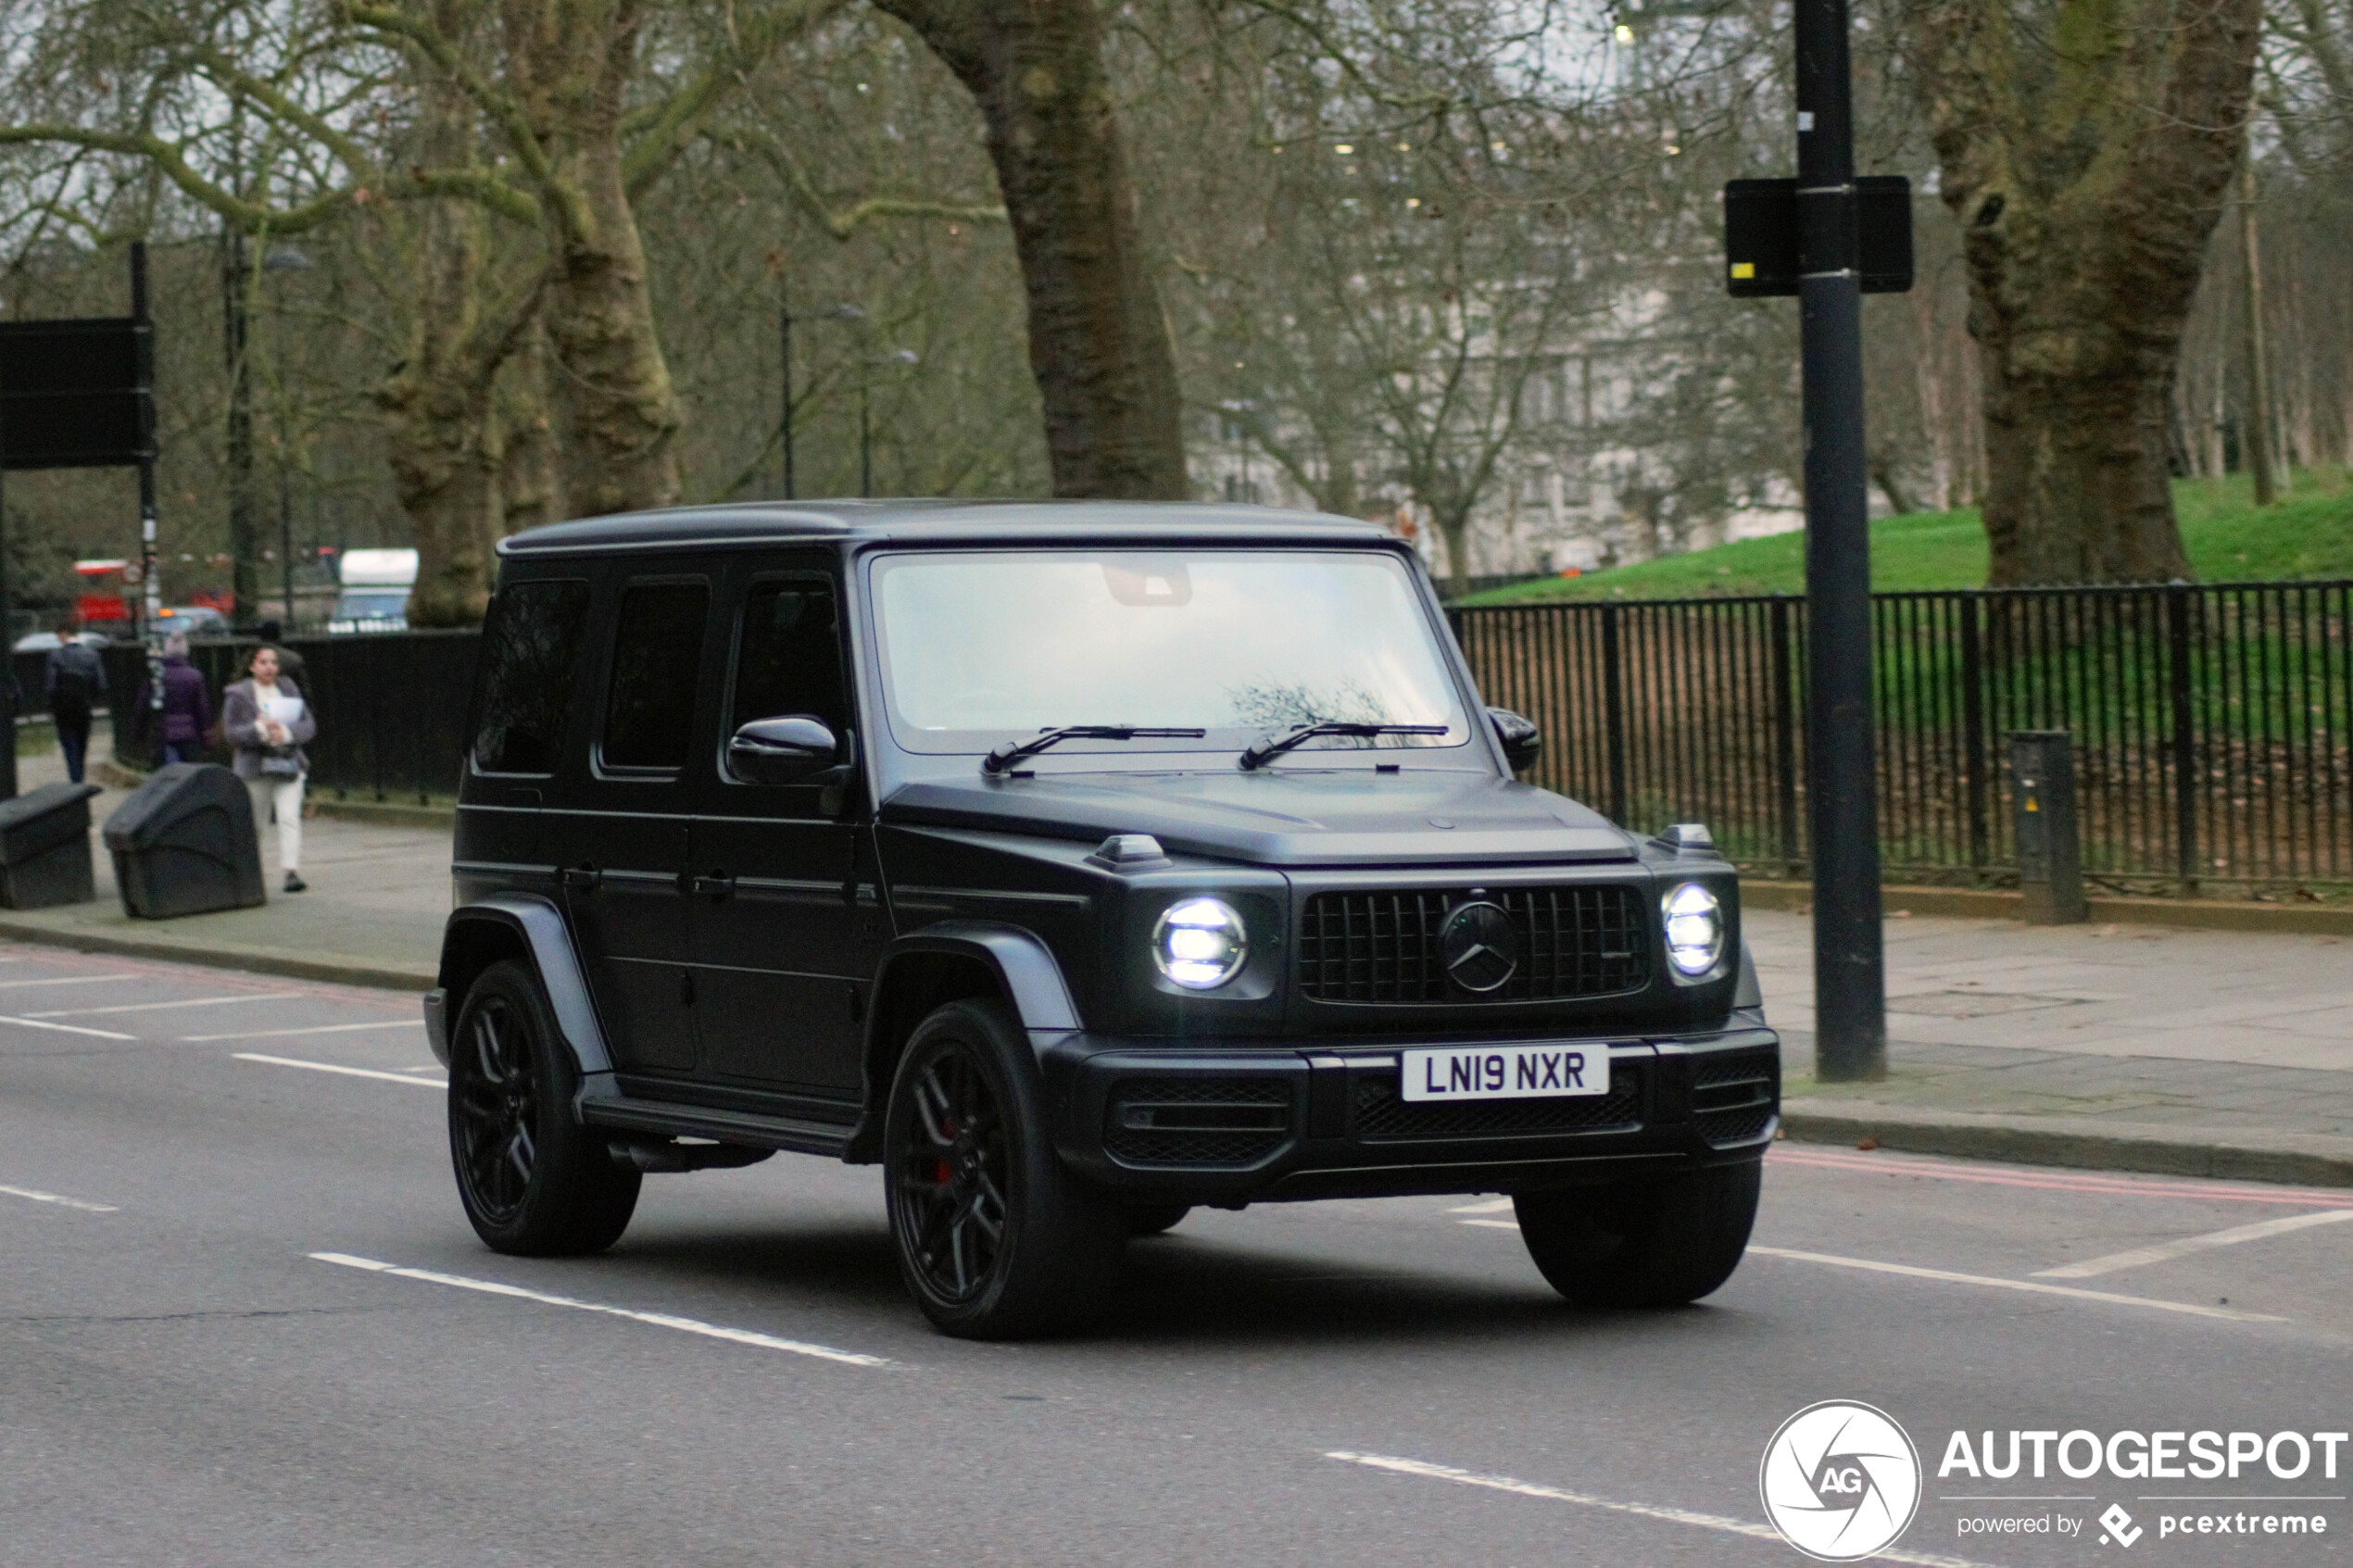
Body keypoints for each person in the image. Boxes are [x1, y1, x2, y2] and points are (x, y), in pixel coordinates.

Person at [223, 646, 315, 894]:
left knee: (289, 818)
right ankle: (252, 873)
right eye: (263, 662)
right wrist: (260, 730)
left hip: (287, 763)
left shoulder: (288, 690)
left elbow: (308, 725)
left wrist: (285, 733)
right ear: (252, 666)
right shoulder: (239, 695)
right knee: (256, 823)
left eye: (273, 662)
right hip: (256, 767)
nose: (269, 667)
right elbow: (231, 733)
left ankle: (290, 872)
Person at [130, 633, 212, 766]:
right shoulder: (194, 676)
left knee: (171, 773)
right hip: (189, 733)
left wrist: (137, 733)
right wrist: (205, 736)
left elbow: (142, 706)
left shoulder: (157, 676)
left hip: (164, 732)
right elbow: (202, 708)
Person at [42, 621, 106, 784]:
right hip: (84, 706)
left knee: (69, 745)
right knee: (81, 743)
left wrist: (52, 704)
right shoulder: (92, 654)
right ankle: (80, 775)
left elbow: (51, 685)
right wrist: (91, 699)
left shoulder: (55, 655)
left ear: (63, 634)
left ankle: (75, 778)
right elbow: (100, 684)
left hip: (63, 709)